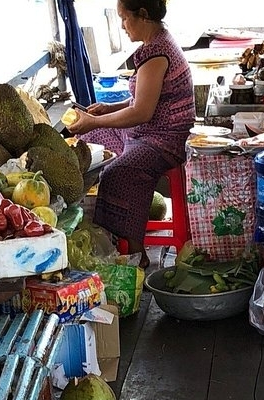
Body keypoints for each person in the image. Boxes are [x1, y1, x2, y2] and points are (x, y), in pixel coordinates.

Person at [66, 0, 195, 268]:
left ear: (143, 15)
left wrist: (94, 121)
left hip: (165, 139)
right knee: (90, 143)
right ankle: (98, 228)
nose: (122, 26)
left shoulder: (158, 54)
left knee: (117, 172)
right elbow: (142, 99)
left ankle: (136, 253)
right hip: (146, 132)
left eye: (124, 18)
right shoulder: (155, 43)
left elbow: (142, 112)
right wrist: (106, 110)